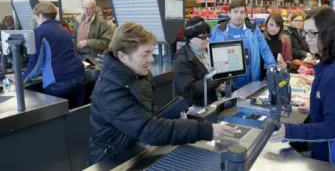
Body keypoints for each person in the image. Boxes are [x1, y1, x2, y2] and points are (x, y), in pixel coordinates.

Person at [88, 22, 237, 165]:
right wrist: (205, 130)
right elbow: (149, 130)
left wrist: (174, 119)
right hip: (113, 159)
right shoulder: (110, 90)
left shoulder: (137, 75)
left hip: (135, 148)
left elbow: (147, 115)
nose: (151, 59)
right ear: (123, 56)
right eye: (145, 53)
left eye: (151, 53)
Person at [270, 8, 335, 171]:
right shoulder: (334, 63)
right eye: (306, 33)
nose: (307, 39)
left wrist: (287, 130)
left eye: (313, 33)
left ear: (330, 33)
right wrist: (317, 106)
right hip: (333, 152)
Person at [22, 2, 86, 108]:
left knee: (57, 119)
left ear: (40, 15)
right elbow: (60, 55)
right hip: (79, 75)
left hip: (58, 81)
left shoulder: (38, 32)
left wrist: (21, 80)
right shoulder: (64, 29)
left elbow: (35, 62)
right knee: (76, 116)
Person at [210, 0, 276, 90]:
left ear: (245, 14)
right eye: (235, 12)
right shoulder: (218, 30)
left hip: (252, 81)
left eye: (242, 12)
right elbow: (211, 57)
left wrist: (272, 66)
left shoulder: (253, 29)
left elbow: (264, 49)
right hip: (228, 83)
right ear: (229, 13)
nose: (238, 15)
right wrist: (216, 81)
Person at [174, 17, 223, 106]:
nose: (208, 39)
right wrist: (217, 81)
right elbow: (190, 90)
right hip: (198, 109)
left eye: (209, 35)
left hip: (214, 103)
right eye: (203, 37)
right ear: (190, 39)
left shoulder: (208, 51)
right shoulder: (182, 60)